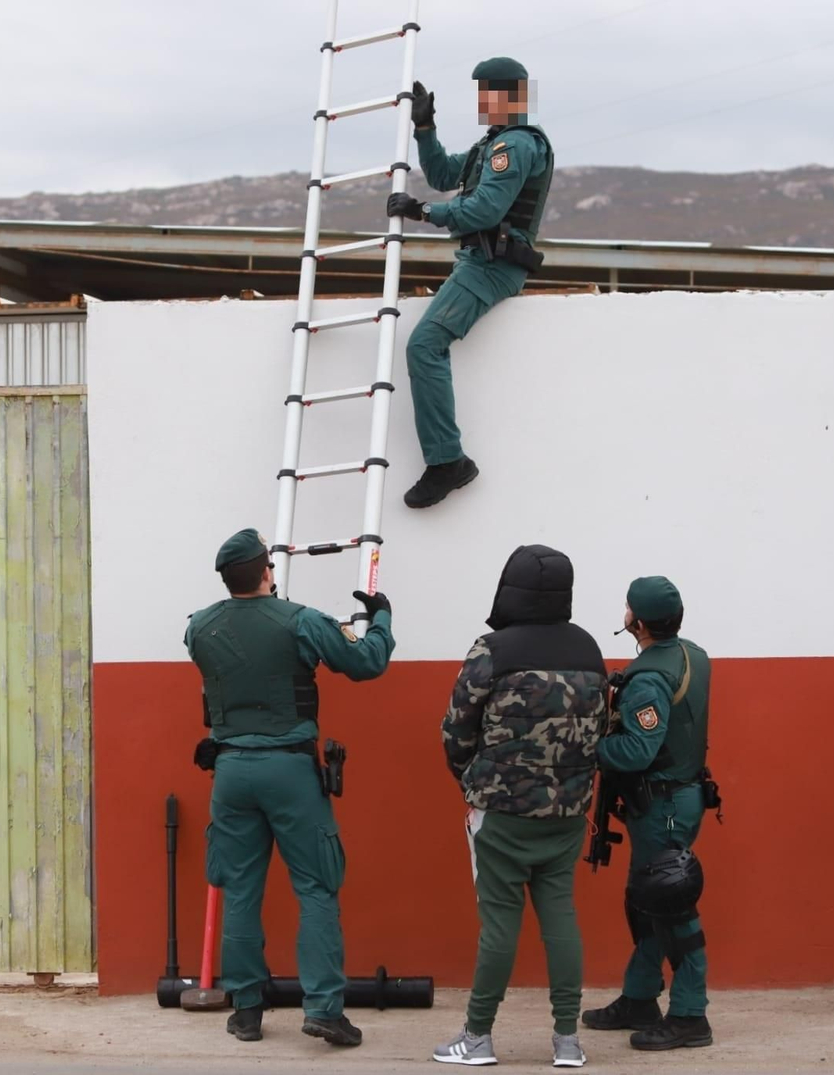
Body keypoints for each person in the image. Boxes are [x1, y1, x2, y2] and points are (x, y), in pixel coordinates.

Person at [185, 528, 395, 1048]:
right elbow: (367, 662)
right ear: (265, 572)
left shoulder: (197, 628)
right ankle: (323, 1008)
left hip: (231, 774)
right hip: (289, 771)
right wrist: (382, 617)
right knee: (317, 888)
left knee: (240, 890)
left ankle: (247, 1010)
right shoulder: (302, 620)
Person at [433, 544, 606, 1068]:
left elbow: (456, 729)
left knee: (500, 924)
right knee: (561, 918)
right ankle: (568, 1041)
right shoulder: (591, 651)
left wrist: (474, 781)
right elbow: (600, 728)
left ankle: (478, 1037)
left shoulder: (493, 649)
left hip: (502, 814)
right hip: (569, 814)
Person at [386, 56, 555, 509]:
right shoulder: (493, 144)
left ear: (511, 96)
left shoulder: (514, 146)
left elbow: (483, 211)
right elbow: (444, 175)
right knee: (424, 344)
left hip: (491, 266)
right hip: (477, 262)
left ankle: (447, 462)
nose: (481, 102)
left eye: (487, 93)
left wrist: (423, 211)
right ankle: (447, 459)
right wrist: (426, 129)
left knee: (423, 345)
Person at [582, 577, 714, 1050]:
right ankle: (640, 996)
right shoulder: (693, 655)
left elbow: (638, 749)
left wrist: (590, 746)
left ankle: (689, 1014)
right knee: (648, 903)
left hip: (662, 805)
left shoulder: (647, 679)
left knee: (672, 904)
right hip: (679, 797)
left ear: (636, 622)